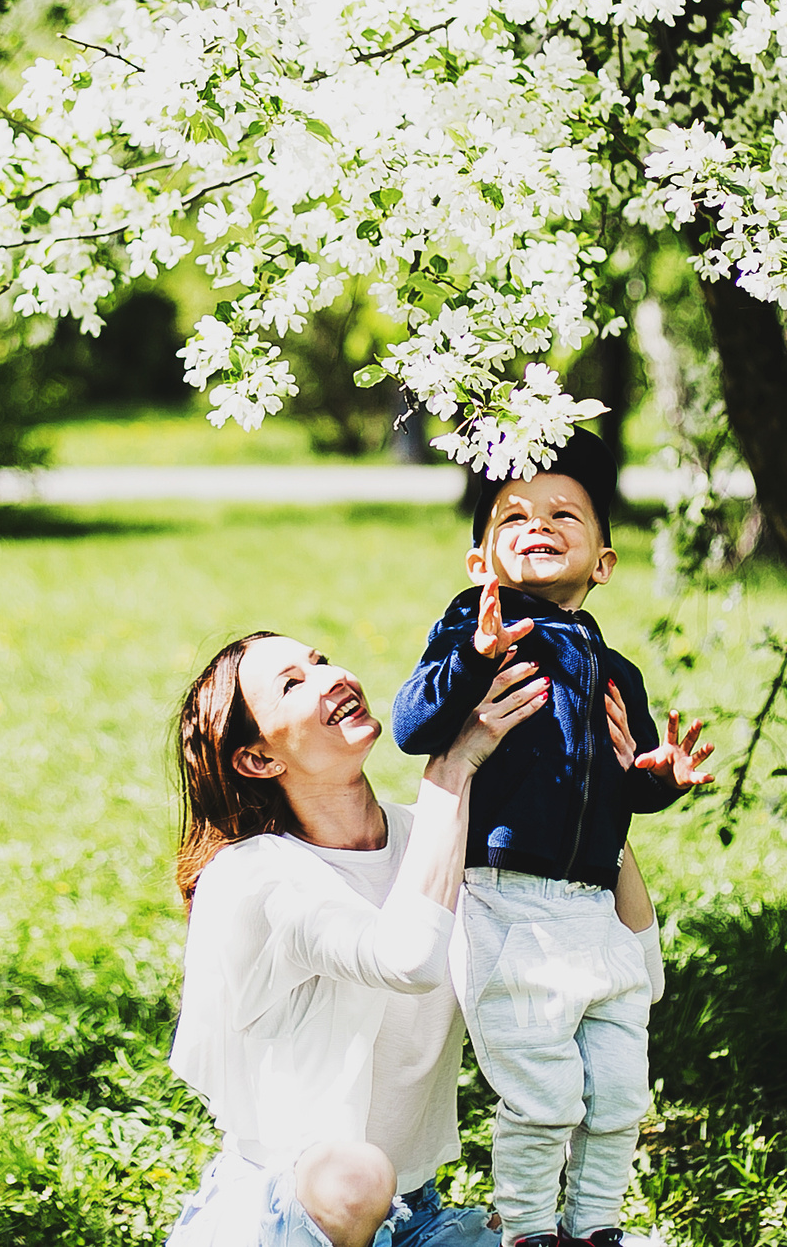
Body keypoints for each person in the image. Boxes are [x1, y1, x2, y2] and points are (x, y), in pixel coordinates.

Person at [392, 430, 715, 1247]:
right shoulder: (475, 629)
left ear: (602, 562)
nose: (540, 523)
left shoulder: (617, 671)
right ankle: (529, 1231)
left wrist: (660, 775)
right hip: (503, 904)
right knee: (541, 1096)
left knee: (617, 1092)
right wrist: (472, 657)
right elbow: (412, 725)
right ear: (480, 564)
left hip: (593, 908)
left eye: (565, 514)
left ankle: (594, 1227)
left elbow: (624, 786)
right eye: (514, 516)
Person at [168, 628, 565, 1247]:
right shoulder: (253, 876)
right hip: (285, 1213)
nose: (332, 678)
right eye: (293, 684)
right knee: (354, 1176)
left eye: (320, 661)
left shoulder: (429, 836)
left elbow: (619, 951)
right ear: (259, 760)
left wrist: (608, 799)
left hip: (416, 1215)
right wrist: (452, 769)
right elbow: (407, 958)